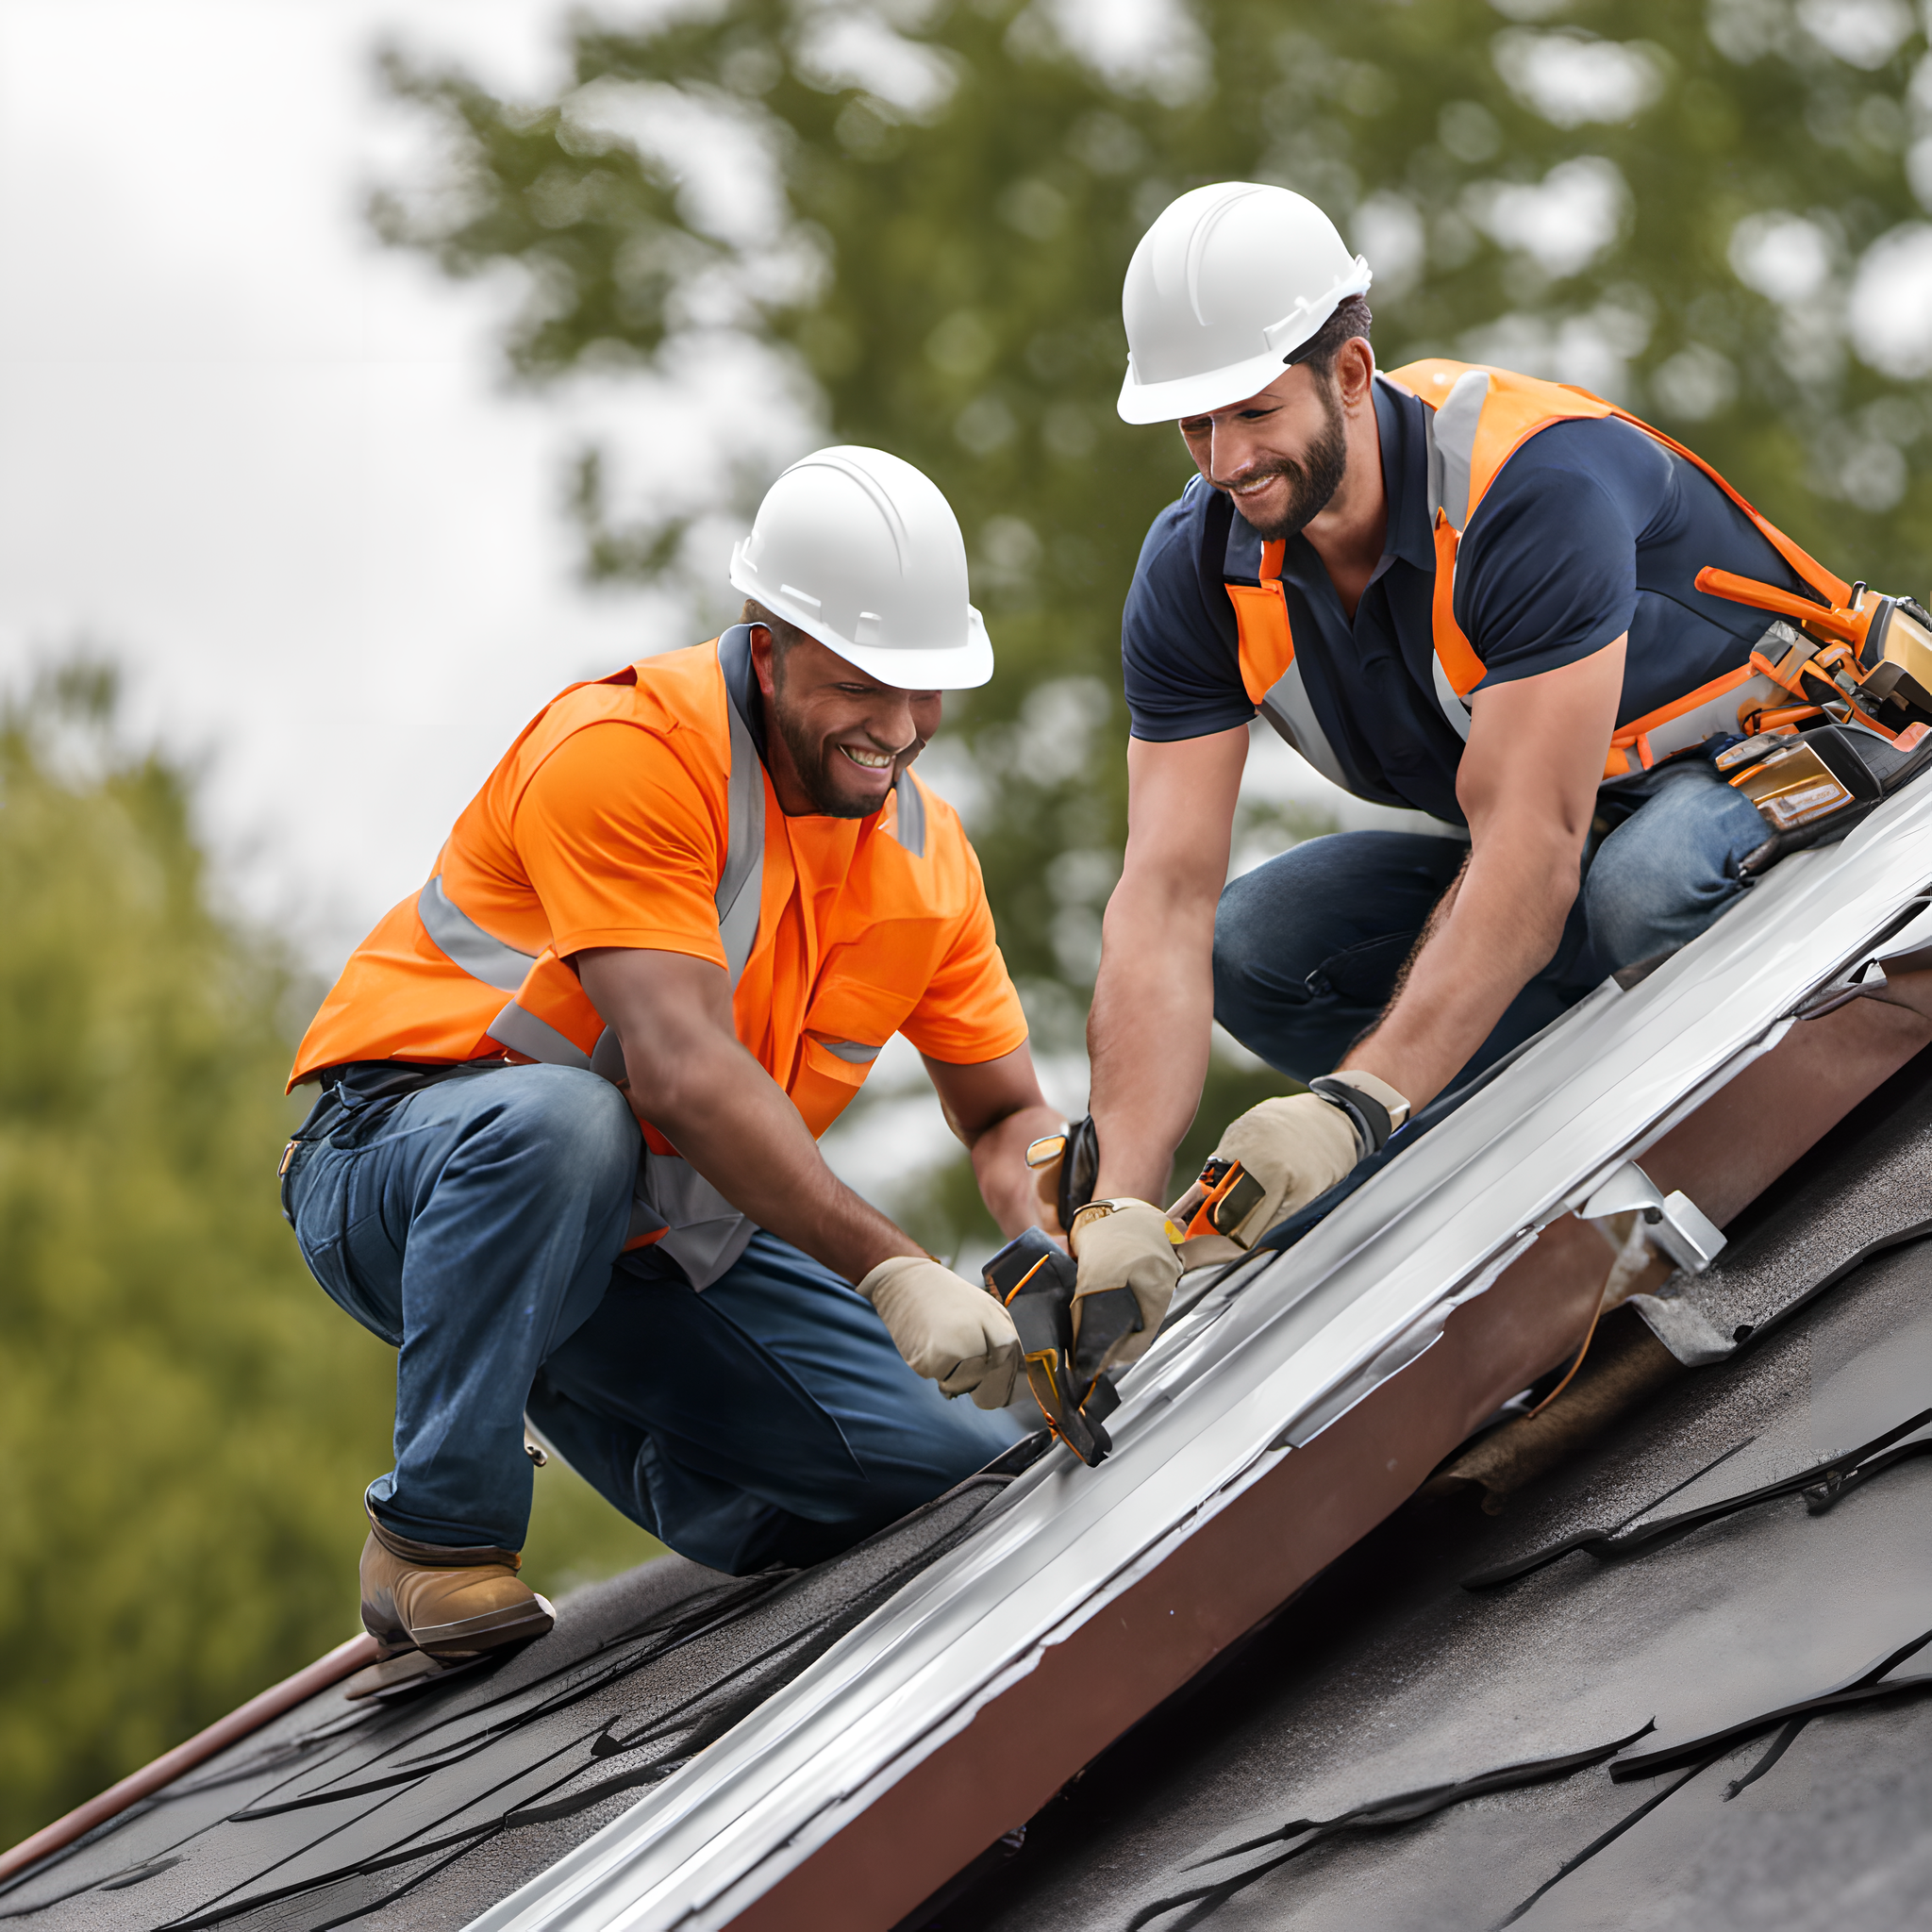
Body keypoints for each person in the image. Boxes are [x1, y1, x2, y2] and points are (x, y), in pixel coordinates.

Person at [282, 446, 1067, 1672]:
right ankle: (436, 1535)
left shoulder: (933, 866)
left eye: (928, 689)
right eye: (864, 682)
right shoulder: (630, 752)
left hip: (651, 1246)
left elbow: (1002, 1111)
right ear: (769, 644)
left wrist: (1064, 1220)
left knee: (960, 1468)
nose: (902, 729)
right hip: (401, 1166)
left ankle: (625, 1406)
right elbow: (681, 1078)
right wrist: (902, 1270)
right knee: (563, 1130)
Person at [1065, 181, 1891, 1324]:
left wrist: (1356, 1100)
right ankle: (1530, 1165)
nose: (1223, 459)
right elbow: (1158, 896)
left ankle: (1783, 1179)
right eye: (1193, 425)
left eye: (1251, 413)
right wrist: (1115, 1204)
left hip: (1799, 766)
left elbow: (1529, 846)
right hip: (1578, 834)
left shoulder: (1525, 485)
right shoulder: (1196, 572)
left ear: (1348, 374)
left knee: (1639, 888)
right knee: (1254, 944)